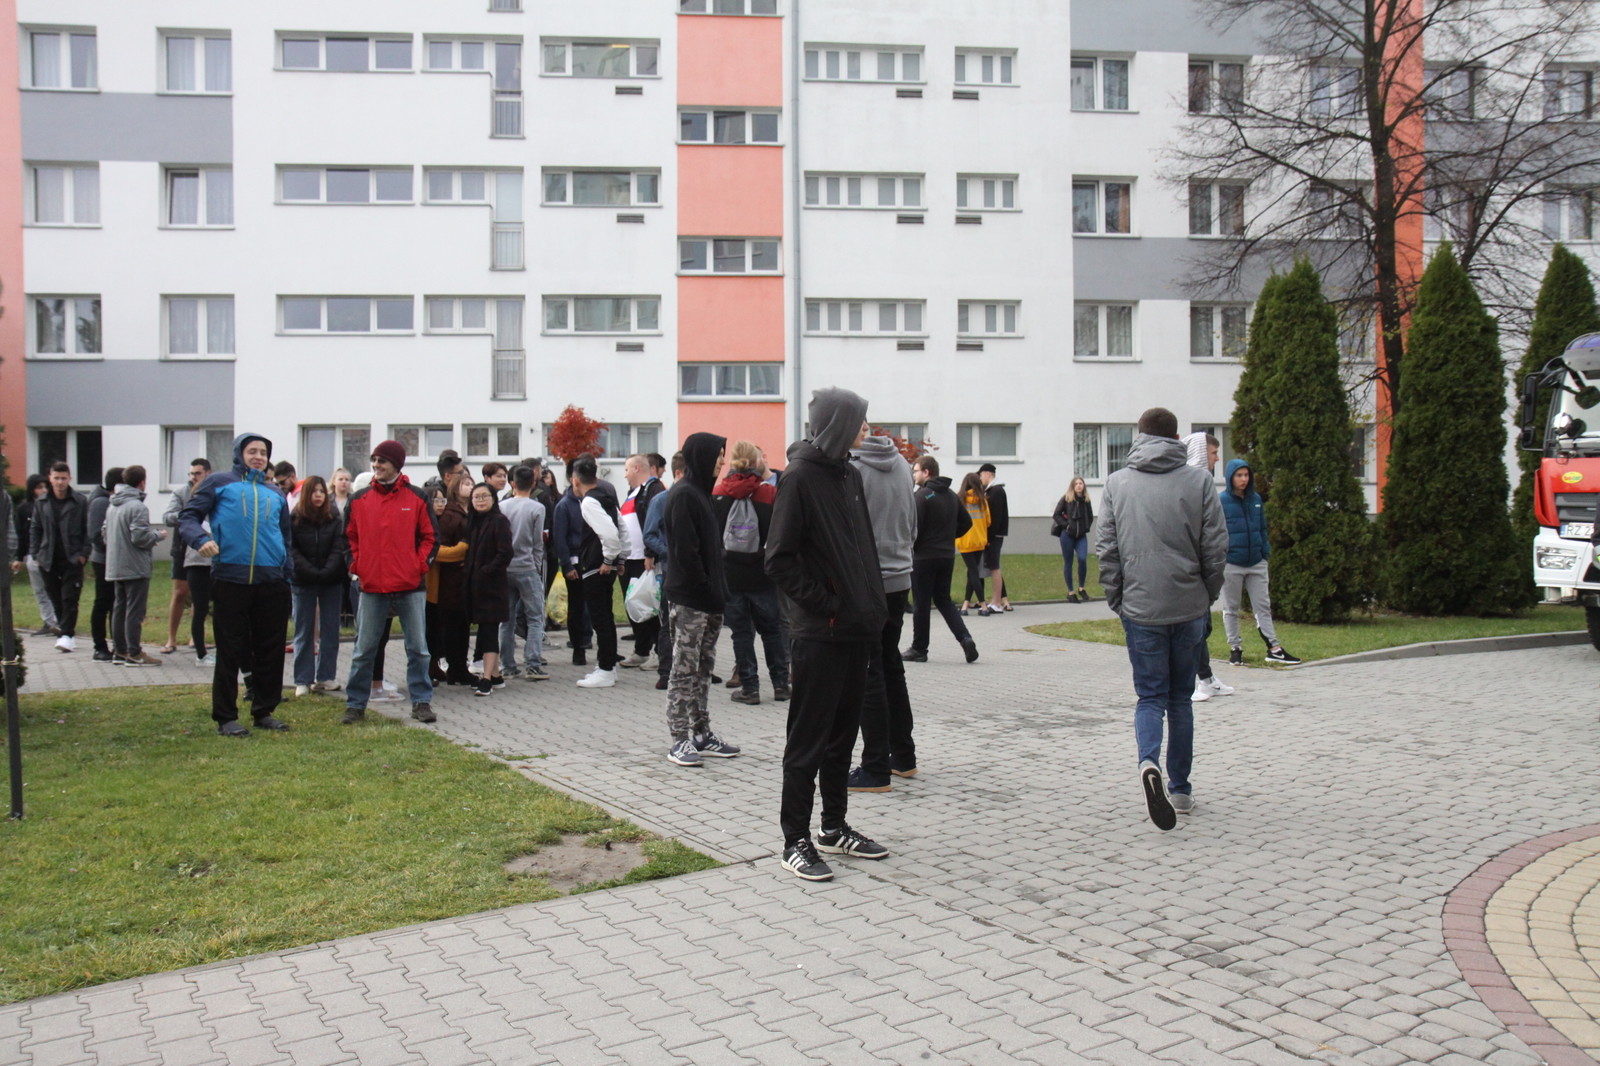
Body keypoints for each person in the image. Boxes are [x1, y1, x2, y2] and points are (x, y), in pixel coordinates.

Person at [766, 387, 890, 882]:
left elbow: (863, 549)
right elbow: (779, 559)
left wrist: (870, 606)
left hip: (858, 630)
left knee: (842, 738)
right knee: (807, 742)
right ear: (838, 424)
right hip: (820, 633)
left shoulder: (850, 475)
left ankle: (833, 827)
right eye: (859, 421)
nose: (866, 428)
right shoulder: (799, 478)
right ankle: (793, 839)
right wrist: (829, 604)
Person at [1096, 407, 1227, 829]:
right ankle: (1181, 788)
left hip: (1141, 606)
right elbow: (1215, 546)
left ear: (1139, 436)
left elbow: (1107, 548)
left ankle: (1147, 762)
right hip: (1188, 604)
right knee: (1180, 699)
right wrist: (1206, 594)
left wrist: (1118, 597)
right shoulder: (1199, 481)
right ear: (1175, 438)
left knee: (1150, 697)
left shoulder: (1117, 483)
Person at [179, 434, 295, 736]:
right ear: (239, 453)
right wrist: (200, 539)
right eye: (252, 451)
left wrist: (287, 572)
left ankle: (264, 711)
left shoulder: (275, 493)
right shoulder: (218, 483)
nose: (258, 457)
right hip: (231, 578)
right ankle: (226, 717)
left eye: (263, 452)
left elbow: (285, 537)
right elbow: (188, 517)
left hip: (272, 580)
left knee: (270, 649)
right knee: (230, 649)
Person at [343, 440, 438, 724]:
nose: (376, 465)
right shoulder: (358, 500)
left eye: (381, 461)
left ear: (396, 464)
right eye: (374, 460)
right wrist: (357, 567)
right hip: (372, 587)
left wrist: (417, 566)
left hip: (410, 586)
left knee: (418, 649)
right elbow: (347, 539)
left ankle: (421, 702)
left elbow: (431, 538)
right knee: (363, 650)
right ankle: (355, 705)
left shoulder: (417, 497)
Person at [661, 432, 742, 765]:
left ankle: (701, 732)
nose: (723, 461)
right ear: (701, 457)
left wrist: (717, 591)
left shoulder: (703, 494)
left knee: (703, 669)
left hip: (710, 599)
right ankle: (679, 739)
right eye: (718, 455)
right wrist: (706, 587)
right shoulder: (683, 495)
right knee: (684, 668)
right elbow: (686, 553)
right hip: (690, 600)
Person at [848, 432, 919, 794]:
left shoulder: (854, 469)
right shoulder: (903, 465)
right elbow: (913, 523)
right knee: (890, 664)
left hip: (870, 579)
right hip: (900, 574)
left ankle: (875, 766)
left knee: (870, 669)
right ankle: (903, 755)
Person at [711, 440, 789, 706]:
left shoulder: (718, 493)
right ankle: (781, 684)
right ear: (758, 462)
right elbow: (779, 534)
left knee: (741, 634)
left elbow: (713, 536)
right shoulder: (769, 493)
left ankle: (750, 688)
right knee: (772, 631)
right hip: (762, 574)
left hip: (731, 574)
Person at [1220, 459, 1302, 666]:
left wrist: (1264, 552)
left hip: (1256, 561)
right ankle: (1235, 648)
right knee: (1231, 608)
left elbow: (1262, 528)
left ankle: (1274, 648)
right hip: (1232, 563)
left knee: (1263, 606)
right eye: (1239, 475)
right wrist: (1224, 554)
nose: (1244, 479)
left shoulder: (1255, 499)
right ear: (1230, 477)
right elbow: (1216, 531)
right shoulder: (1221, 500)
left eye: (1246, 475)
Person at [903, 455, 977, 666]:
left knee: (922, 603)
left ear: (926, 472)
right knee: (944, 600)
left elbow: (914, 528)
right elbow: (967, 522)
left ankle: (919, 648)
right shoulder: (951, 495)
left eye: (916, 471)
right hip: (946, 555)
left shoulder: (922, 496)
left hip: (924, 557)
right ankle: (965, 638)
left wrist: (915, 547)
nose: (914, 475)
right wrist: (948, 536)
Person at [1181, 434, 1234, 701]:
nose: (1217, 458)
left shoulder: (1203, 483)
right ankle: (1195, 681)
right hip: (1192, 569)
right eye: (1213, 453)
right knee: (1195, 629)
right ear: (1202, 453)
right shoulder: (1191, 486)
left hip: (1203, 569)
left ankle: (1206, 678)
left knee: (1203, 628)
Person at [569, 453, 627, 688]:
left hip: (596, 567)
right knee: (606, 618)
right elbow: (622, 527)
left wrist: (609, 558)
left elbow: (611, 533)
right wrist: (621, 558)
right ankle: (607, 664)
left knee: (600, 619)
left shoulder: (589, 502)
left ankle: (605, 669)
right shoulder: (607, 496)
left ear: (575, 480)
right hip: (606, 565)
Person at [290, 475, 349, 697]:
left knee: (330, 629)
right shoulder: (295, 518)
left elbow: (339, 546)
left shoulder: (334, 517)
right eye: (314, 491)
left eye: (321, 491)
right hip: (303, 580)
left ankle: (325, 677)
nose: (318, 495)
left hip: (331, 580)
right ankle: (302, 679)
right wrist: (309, 570)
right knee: (303, 630)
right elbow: (292, 549)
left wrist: (326, 571)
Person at [104, 465, 168, 666]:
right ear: (142, 482)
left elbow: (105, 533)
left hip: (115, 563)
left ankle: (119, 650)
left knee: (119, 608)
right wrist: (157, 535)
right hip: (135, 566)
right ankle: (134, 651)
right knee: (134, 610)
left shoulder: (112, 505)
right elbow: (139, 537)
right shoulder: (138, 507)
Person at [499, 465, 549, 682]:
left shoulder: (502, 506)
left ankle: (507, 665)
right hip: (527, 567)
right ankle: (533, 663)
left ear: (513, 483)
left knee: (506, 620)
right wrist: (537, 565)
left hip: (505, 567)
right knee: (535, 617)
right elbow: (538, 542)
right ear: (533, 483)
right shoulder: (537, 508)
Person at [618, 453, 667, 670]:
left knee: (649, 605)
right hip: (629, 558)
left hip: (644, 559)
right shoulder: (633, 492)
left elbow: (653, 522)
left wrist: (650, 553)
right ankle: (641, 649)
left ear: (637, 468)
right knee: (633, 604)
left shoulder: (654, 489)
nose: (625, 475)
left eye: (627, 469)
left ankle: (659, 651)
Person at [36, 462, 91, 653]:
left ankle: (67, 635)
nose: (60, 482)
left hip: (72, 557)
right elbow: (36, 528)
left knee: (70, 597)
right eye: (56, 478)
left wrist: (84, 554)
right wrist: (36, 553)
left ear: (69, 479)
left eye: (63, 478)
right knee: (55, 597)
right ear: (50, 479)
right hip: (48, 557)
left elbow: (87, 529)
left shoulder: (79, 501)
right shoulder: (42, 502)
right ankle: (65, 631)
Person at [465, 482, 513, 695]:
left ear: (493, 498)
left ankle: (486, 679)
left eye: (485, 496)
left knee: (489, 631)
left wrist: (487, 570)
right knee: (484, 630)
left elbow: (505, 553)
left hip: (492, 586)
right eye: (476, 497)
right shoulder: (473, 521)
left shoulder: (499, 521)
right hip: (474, 586)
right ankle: (495, 676)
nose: (480, 500)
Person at [644, 451, 685, 693]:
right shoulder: (661, 500)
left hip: (695, 571)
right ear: (678, 473)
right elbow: (649, 534)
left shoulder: (701, 498)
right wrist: (669, 553)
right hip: (672, 569)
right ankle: (666, 671)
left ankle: (697, 669)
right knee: (669, 622)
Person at [161, 458, 210, 654]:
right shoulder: (181, 492)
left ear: (207, 473)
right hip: (182, 548)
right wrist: (187, 514)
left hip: (206, 550)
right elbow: (167, 517)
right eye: (191, 473)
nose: (193, 477)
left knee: (200, 595)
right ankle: (171, 639)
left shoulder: (213, 491)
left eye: (197, 473)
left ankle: (195, 638)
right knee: (180, 592)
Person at [428, 476, 473, 685]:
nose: (440, 505)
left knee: (460, 626)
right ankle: (444, 667)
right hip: (443, 582)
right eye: (436, 501)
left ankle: (455, 667)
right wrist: (464, 549)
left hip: (460, 579)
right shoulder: (449, 517)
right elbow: (437, 550)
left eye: (441, 500)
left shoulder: (469, 512)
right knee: (444, 627)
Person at [12, 474, 62, 636]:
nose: (43, 490)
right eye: (39, 487)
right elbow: (22, 534)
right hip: (33, 554)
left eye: (45, 487)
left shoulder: (51, 505)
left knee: (53, 588)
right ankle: (49, 622)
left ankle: (59, 620)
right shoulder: (25, 509)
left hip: (51, 554)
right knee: (40, 590)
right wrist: (19, 557)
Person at [553, 462, 593, 664]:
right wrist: (567, 565)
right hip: (575, 562)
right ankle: (578, 647)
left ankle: (591, 640)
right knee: (576, 606)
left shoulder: (592, 501)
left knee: (594, 604)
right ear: (573, 480)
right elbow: (559, 538)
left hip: (592, 559)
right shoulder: (564, 506)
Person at [85, 466, 123, 661]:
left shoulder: (110, 500)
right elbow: (96, 535)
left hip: (113, 559)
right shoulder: (100, 503)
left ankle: (119, 644)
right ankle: (100, 646)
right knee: (103, 602)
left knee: (115, 603)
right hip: (103, 560)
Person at [1052, 476, 1095, 604]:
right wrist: (1067, 526)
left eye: (1081, 483)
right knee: (1068, 562)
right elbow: (1056, 514)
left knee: (1082, 559)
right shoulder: (1066, 498)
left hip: (1081, 536)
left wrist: (1086, 527)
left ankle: (1081, 588)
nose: (1079, 485)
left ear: (1084, 485)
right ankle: (1071, 592)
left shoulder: (1086, 500)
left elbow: (1090, 516)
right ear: (1072, 486)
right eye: (1076, 484)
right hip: (1067, 535)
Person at [975, 463, 1011, 614]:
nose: (980, 478)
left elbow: (995, 518)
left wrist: (988, 538)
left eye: (981, 475)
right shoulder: (993, 490)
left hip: (994, 536)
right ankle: (996, 601)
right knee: (993, 566)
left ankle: (996, 602)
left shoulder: (996, 491)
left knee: (994, 567)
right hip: (994, 535)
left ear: (988, 474)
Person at [955, 472, 989, 613]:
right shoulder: (983, 501)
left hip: (965, 541)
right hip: (979, 540)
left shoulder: (960, 500)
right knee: (973, 572)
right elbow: (988, 521)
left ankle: (983, 605)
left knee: (972, 572)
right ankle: (966, 604)